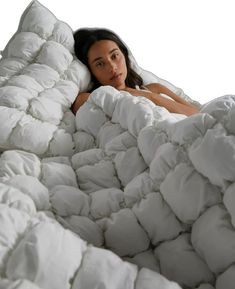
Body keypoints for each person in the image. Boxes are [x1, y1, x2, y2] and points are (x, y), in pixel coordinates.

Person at [71, 28, 199, 116]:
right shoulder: (87, 99)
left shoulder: (155, 89)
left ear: (124, 56)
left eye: (115, 56)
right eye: (100, 63)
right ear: (90, 71)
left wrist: (145, 95)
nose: (112, 67)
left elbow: (197, 115)